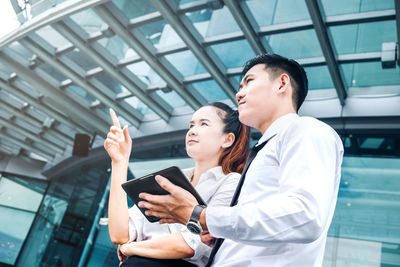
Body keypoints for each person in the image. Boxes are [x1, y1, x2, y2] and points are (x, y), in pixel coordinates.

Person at [138, 54, 344, 266]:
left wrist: (201, 215)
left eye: (249, 81)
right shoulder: (265, 150)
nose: (238, 93)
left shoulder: (306, 129)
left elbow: (305, 217)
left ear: (282, 83)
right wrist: (218, 234)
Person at [104, 102, 250, 266]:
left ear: (227, 139)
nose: (192, 131)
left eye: (204, 124)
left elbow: (191, 244)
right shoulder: (167, 179)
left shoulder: (231, 183)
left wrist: (131, 248)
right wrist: (119, 162)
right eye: (191, 125)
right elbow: (119, 235)